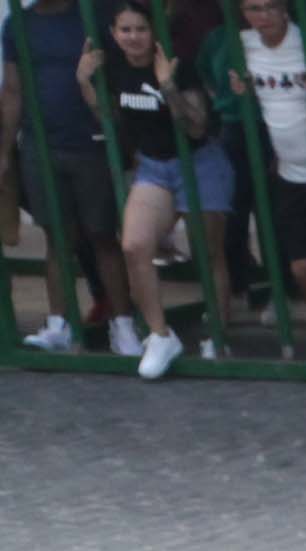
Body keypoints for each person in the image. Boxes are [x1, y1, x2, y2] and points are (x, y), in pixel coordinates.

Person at [219, 0, 306, 357]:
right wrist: (239, 88)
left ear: (285, 9)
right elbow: (217, 75)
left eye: (267, 7)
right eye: (251, 8)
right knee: (304, 268)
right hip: (292, 176)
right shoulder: (242, 45)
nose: (260, 16)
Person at [90, 0, 219, 374]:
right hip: (154, 165)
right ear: (113, 34)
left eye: (141, 29)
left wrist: (167, 86)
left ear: (154, 31)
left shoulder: (179, 64)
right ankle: (161, 335)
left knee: (208, 251)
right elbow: (107, 115)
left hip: (199, 162)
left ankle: (218, 333)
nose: (133, 38)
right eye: (125, 30)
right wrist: (85, 81)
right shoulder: (113, 66)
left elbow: (196, 127)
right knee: (133, 245)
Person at [3, 0, 131, 353]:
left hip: (92, 142)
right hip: (41, 146)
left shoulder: (96, 15)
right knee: (57, 238)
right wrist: (4, 151)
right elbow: (13, 89)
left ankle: (123, 326)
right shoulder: (18, 23)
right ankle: (59, 322)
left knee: (102, 235)